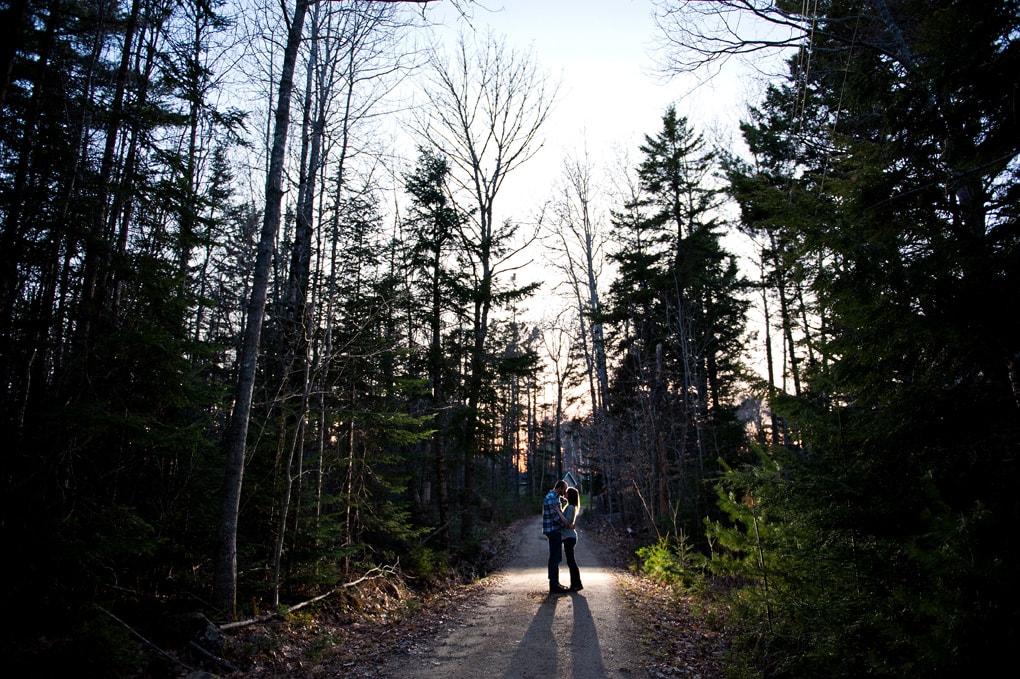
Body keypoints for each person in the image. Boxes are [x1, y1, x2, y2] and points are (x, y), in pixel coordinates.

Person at [542, 480, 572, 593]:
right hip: (553, 530)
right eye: (564, 490)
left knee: (557, 556)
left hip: (555, 530)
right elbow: (556, 518)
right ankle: (553, 585)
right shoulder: (551, 498)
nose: (564, 493)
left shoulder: (555, 498)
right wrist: (567, 524)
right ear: (559, 488)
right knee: (555, 557)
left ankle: (555, 583)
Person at [561, 487, 583, 591]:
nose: (565, 493)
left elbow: (567, 522)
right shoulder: (569, 506)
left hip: (569, 537)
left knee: (571, 561)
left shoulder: (570, 507)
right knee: (571, 561)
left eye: (567, 492)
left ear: (570, 495)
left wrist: (557, 510)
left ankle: (577, 584)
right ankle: (575, 584)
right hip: (568, 536)